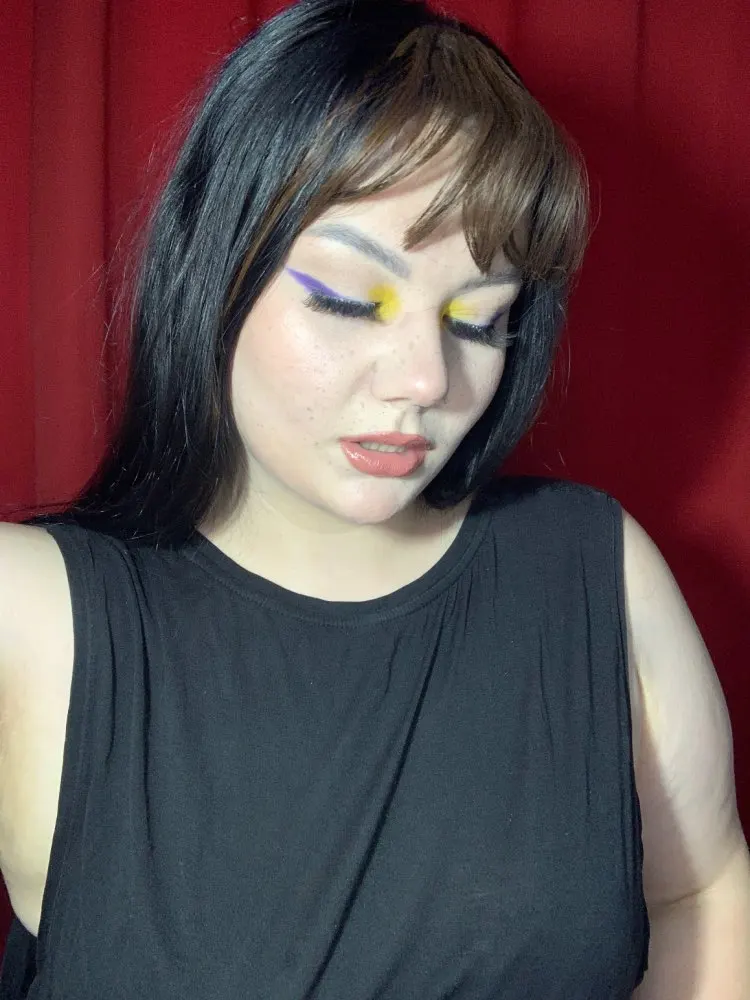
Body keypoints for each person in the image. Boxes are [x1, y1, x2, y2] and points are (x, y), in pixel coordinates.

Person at [1, 0, 748, 996]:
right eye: (352, 301)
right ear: (213, 271)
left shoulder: (594, 567)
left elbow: (701, 888)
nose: (427, 380)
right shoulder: (29, 612)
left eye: (479, 320)